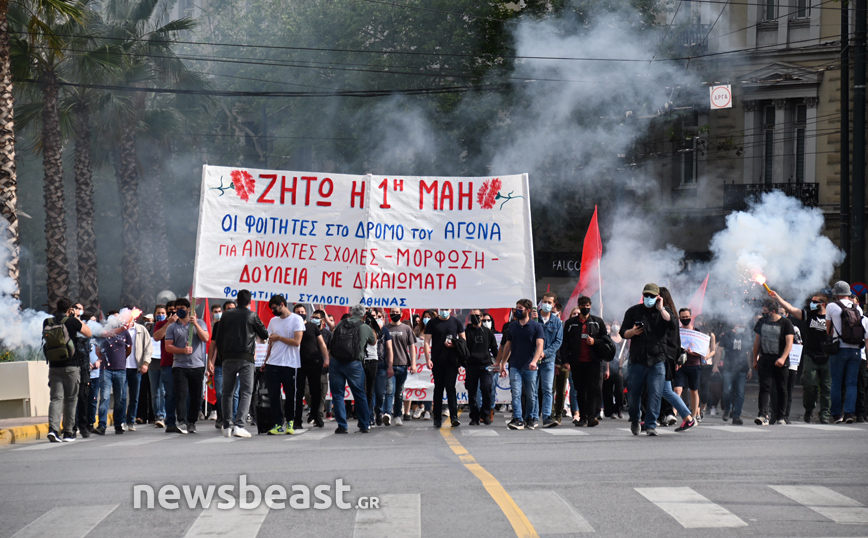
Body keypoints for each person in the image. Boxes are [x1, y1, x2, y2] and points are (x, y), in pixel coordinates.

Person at [619, 283, 677, 436]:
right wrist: (633, 331)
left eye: (652, 296)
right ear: (642, 295)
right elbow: (623, 332)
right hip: (637, 359)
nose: (649, 298)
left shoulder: (664, 311)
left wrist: (661, 308)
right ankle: (636, 419)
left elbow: (672, 324)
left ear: (658, 297)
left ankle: (651, 424)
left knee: (655, 393)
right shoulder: (633, 311)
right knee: (633, 393)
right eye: (647, 295)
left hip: (657, 359)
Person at [213, 290, 268, 438]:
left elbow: (218, 339)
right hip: (246, 357)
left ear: (237, 301)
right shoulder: (251, 315)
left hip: (228, 358)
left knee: (227, 392)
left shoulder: (226, 315)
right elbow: (264, 334)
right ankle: (239, 425)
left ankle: (227, 425)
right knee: (246, 391)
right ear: (249, 302)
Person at [43, 298, 93, 442]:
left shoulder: (47, 322)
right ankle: (68, 432)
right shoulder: (72, 321)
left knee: (56, 398)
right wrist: (76, 317)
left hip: (54, 366)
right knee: (71, 399)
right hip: (71, 366)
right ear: (70, 309)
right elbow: (88, 333)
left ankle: (53, 429)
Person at [259, 296, 304, 435]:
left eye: (274, 308)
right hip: (273, 363)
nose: (273, 311)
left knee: (290, 395)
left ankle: (290, 421)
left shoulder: (297, 319)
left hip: (289, 364)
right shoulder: (273, 321)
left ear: (282, 305)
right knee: (273, 395)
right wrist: (265, 361)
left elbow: (297, 342)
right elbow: (270, 343)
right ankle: (278, 423)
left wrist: (280, 338)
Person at [497, 299, 544, 430]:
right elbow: (508, 346)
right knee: (516, 393)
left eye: (520, 308)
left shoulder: (536, 327)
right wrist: (503, 363)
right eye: (516, 307)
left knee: (531, 394)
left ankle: (530, 417)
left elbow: (540, 345)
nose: (517, 310)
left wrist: (534, 361)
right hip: (515, 366)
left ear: (528, 310)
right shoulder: (512, 326)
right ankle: (518, 418)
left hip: (530, 366)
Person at [163, 298, 209, 434]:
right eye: (177, 308)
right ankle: (182, 421)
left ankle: (192, 421)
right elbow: (168, 346)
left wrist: (196, 325)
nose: (180, 310)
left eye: (182, 307)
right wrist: (182, 350)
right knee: (181, 394)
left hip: (197, 365)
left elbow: (206, 338)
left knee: (196, 396)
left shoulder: (199, 322)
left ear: (189, 309)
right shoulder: (172, 326)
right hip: (180, 366)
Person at [328, 304, 375, 433]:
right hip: (354, 364)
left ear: (350, 314)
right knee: (359, 394)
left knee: (338, 395)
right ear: (364, 316)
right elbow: (373, 341)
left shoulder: (340, 324)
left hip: (336, 362)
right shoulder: (365, 327)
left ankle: (342, 426)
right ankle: (364, 425)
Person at [562, 296, 608, 427]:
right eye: (583, 306)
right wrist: (565, 360)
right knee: (580, 390)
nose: (586, 308)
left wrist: (595, 342)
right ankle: (582, 417)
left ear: (591, 306)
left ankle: (592, 416)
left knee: (593, 389)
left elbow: (606, 340)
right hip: (577, 362)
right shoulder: (571, 323)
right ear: (579, 306)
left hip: (593, 362)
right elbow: (565, 343)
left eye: (588, 306)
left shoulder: (597, 322)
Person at [825, 281, 867, 423]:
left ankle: (837, 414)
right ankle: (849, 413)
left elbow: (828, 330)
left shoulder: (831, 306)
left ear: (836, 293)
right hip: (855, 349)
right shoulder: (858, 308)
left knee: (836, 382)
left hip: (839, 349)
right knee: (852, 383)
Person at [658, 288, 697, 432]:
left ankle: (687, 417)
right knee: (664, 390)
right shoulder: (671, 314)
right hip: (667, 358)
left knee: (665, 391)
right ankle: (687, 418)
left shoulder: (665, 314)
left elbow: (671, 340)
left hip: (664, 357)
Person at [752, 300, 795, 425]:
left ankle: (781, 416)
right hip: (765, 359)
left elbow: (789, 343)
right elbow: (757, 342)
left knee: (782, 388)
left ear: (773, 311)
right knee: (765, 387)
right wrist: (755, 360)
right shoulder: (761, 322)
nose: (763, 313)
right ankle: (762, 414)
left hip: (780, 361)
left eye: (765, 311)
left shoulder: (786, 323)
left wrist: (782, 358)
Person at [424, 308, 465, 428]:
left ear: (450, 309)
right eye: (442, 309)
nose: (444, 311)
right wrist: (428, 359)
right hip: (437, 361)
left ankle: (454, 417)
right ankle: (437, 418)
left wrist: (455, 344)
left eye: (446, 309)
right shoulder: (432, 323)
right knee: (438, 389)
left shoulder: (456, 322)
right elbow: (427, 341)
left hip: (452, 361)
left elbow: (463, 340)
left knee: (451, 388)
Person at [292, 303, 329, 429]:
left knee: (316, 391)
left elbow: (322, 343)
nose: (300, 314)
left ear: (306, 313)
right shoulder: (292, 326)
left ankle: (316, 416)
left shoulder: (312, 326)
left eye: (302, 311)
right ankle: (297, 420)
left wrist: (326, 358)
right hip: (298, 363)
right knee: (299, 392)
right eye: (298, 312)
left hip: (314, 362)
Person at [96, 314, 132, 435]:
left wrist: (121, 359)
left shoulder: (125, 333)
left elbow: (129, 349)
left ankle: (118, 423)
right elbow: (98, 350)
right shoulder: (104, 332)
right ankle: (102, 424)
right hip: (106, 370)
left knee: (119, 399)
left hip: (121, 370)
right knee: (105, 397)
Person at [464, 310, 498, 425]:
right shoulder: (466, 332)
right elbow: (462, 349)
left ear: (482, 317)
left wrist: (499, 363)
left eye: (477, 316)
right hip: (471, 366)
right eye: (473, 316)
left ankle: (485, 414)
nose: (475, 318)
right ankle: (474, 416)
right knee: (472, 392)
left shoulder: (488, 332)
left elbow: (494, 348)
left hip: (485, 366)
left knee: (486, 389)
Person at [123, 306, 153, 432]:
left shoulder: (141, 330)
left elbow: (148, 347)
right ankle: (121, 421)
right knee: (122, 396)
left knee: (135, 396)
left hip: (136, 368)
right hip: (122, 368)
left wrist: (145, 363)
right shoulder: (120, 330)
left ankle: (130, 421)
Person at [536, 292, 563, 428]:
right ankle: (534, 416)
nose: (546, 304)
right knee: (533, 390)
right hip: (534, 360)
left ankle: (547, 417)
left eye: (549, 302)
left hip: (548, 361)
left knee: (547, 390)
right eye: (544, 301)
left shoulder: (557, 322)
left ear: (553, 305)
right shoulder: (534, 319)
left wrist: (545, 353)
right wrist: (537, 354)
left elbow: (558, 341)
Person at [386, 307, 416, 426]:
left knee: (399, 392)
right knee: (389, 390)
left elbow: (412, 347)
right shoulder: (385, 328)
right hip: (389, 365)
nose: (394, 314)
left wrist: (413, 363)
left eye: (397, 312)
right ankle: (387, 413)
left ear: (401, 314)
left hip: (403, 364)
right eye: (392, 312)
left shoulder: (407, 328)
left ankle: (397, 415)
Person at [717, 323, 752, 425]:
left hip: (742, 369)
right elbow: (720, 350)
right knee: (726, 391)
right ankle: (728, 408)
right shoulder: (727, 335)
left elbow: (748, 353)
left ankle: (736, 415)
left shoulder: (746, 336)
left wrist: (750, 369)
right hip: (728, 368)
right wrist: (716, 365)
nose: (742, 327)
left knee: (740, 393)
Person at [673, 308, 703, 420]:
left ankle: (694, 415)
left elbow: (701, 350)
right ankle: (674, 414)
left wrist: (693, 352)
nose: (685, 319)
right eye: (683, 317)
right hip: (680, 365)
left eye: (687, 316)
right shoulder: (677, 332)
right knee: (677, 390)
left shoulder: (697, 332)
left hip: (694, 364)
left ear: (691, 317)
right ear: (679, 318)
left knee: (694, 390)